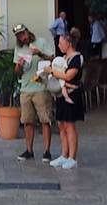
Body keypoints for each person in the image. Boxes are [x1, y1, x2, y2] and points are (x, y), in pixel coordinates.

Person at [12, 24, 53, 162]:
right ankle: (29, 150)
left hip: (40, 87)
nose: (21, 37)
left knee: (45, 120)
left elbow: (53, 59)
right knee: (27, 121)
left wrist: (39, 53)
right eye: (18, 36)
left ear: (27, 32)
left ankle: (47, 151)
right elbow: (16, 72)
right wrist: (19, 65)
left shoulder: (40, 42)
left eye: (22, 34)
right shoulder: (18, 48)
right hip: (25, 88)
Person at [48, 32, 85, 170]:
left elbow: (69, 76)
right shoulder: (63, 58)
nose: (59, 45)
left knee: (70, 125)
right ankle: (64, 154)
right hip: (61, 94)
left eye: (61, 42)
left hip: (72, 93)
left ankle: (72, 157)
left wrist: (52, 71)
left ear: (68, 43)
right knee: (61, 125)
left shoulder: (76, 58)